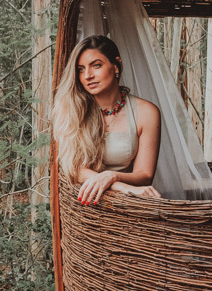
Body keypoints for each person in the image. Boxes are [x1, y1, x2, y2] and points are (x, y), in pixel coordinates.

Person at [52, 34, 162, 204]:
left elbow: (145, 175)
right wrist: (120, 186)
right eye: (81, 69)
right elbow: (75, 168)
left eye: (96, 66)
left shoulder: (147, 112)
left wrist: (111, 176)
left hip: (128, 203)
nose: (88, 75)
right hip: (82, 201)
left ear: (116, 66)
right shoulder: (71, 109)